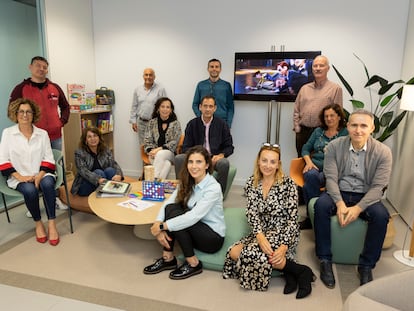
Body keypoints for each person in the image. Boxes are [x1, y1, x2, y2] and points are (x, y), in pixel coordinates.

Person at [222, 143, 315, 299]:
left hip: (283, 231)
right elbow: (252, 213)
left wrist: (285, 246)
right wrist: (259, 236)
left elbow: (293, 219)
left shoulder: (288, 184)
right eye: (264, 160)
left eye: (273, 162)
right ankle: (291, 270)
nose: (268, 165)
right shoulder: (252, 182)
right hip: (262, 231)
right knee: (234, 252)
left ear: (278, 164)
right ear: (258, 161)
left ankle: (302, 272)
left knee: (254, 253)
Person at [314, 109, 392, 289]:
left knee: (381, 216)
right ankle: (325, 259)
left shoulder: (383, 152)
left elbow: (378, 187)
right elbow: (331, 178)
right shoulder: (334, 147)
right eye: (354, 125)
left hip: (366, 195)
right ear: (347, 126)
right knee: (320, 206)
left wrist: (357, 208)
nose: (358, 130)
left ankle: (366, 266)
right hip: (339, 191)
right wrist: (340, 203)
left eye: (364, 126)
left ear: (372, 128)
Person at [143, 145, 225, 280]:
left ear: (207, 165)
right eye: (190, 162)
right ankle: (168, 258)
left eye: (199, 162)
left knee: (178, 217)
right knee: (171, 209)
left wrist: (163, 227)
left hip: (211, 237)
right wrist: (157, 222)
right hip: (194, 229)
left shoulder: (213, 188)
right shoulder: (187, 181)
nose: (194, 166)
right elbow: (168, 203)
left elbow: (193, 217)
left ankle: (193, 263)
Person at [0, 98, 60, 246]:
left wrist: (39, 176)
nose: (25, 114)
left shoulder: (42, 134)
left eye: (28, 111)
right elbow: (3, 160)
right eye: (21, 111)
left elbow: (49, 158)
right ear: (15, 114)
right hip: (18, 176)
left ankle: (52, 224)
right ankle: (38, 223)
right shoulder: (8, 133)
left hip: (43, 173)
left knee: (47, 185)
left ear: (34, 114)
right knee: (30, 191)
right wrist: (20, 176)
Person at [299, 104, 348, 230]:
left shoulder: (345, 132)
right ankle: (313, 216)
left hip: (334, 170)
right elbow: (305, 148)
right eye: (326, 116)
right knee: (310, 175)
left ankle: (319, 213)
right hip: (315, 166)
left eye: (332, 115)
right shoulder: (318, 131)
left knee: (319, 179)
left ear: (339, 117)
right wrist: (309, 162)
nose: (329, 118)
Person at [9, 56, 70, 151]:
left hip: (55, 137)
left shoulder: (55, 87)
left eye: (44, 67)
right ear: (30, 67)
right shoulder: (21, 88)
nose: (41, 69)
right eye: (38, 65)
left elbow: (65, 106)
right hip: (33, 137)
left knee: (55, 163)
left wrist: (61, 122)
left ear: (47, 71)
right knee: (35, 164)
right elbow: (12, 110)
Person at [175, 95, 234, 194]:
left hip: (214, 158)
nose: (207, 109)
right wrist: (196, 157)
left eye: (210, 106)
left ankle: (219, 195)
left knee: (224, 163)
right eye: (205, 106)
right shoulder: (192, 124)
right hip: (196, 157)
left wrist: (221, 155)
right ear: (200, 107)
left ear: (215, 108)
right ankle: (182, 191)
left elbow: (229, 147)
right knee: (179, 158)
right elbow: (186, 147)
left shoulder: (222, 124)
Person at [293, 55, 343, 157]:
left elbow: (338, 114)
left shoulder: (335, 89)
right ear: (312, 68)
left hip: (321, 133)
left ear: (328, 68)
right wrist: (297, 128)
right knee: (301, 161)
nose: (318, 68)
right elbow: (296, 110)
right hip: (303, 132)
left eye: (321, 66)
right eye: (315, 66)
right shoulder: (304, 88)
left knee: (319, 163)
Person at [71, 127, 124, 196]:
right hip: (85, 184)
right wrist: (98, 179)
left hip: (103, 181)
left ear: (99, 138)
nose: (93, 139)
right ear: (85, 140)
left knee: (110, 170)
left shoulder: (105, 149)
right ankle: (109, 194)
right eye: (89, 137)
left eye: (95, 136)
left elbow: (113, 164)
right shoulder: (79, 153)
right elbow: (83, 171)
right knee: (99, 172)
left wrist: (119, 174)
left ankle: (112, 193)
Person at [143, 97, 181, 180]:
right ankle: (158, 185)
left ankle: (152, 180)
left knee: (161, 154)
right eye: (162, 106)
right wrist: (151, 151)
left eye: (168, 107)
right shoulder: (151, 123)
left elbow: (174, 142)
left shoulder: (176, 124)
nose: (165, 109)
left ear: (171, 110)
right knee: (166, 164)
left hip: (169, 153)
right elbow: (147, 139)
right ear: (158, 109)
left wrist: (159, 149)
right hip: (153, 153)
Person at [129, 68, 167, 146]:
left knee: (155, 146)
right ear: (143, 76)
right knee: (143, 147)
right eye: (146, 75)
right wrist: (133, 121)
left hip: (155, 123)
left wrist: (165, 122)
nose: (148, 77)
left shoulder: (160, 89)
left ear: (154, 77)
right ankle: (144, 159)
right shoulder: (137, 89)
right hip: (141, 123)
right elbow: (134, 106)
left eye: (150, 75)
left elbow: (165, 106)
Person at [192, 59, 234, 128]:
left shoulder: (226, 85)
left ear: (220, 69)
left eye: (217, 67)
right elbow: (195, 104)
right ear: (208, 69)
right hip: (204, 124)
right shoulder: (201, 85)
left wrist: (228, 125)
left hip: (222, 123)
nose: (214, 69)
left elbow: (231, 107)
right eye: (211, 67)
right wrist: (201, 117)